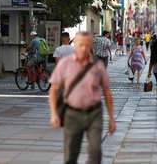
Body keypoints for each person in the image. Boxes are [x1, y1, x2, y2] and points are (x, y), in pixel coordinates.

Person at [49, 32, 116, 164]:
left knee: (96, 152)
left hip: (94, 113)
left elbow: (107, 92)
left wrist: (111, 118)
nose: (84, 48)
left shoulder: (98, 65)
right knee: (70, 155)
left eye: (87, 45)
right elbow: (54, 90)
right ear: (75, 45)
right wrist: (54, 114)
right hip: (72, 114)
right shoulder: (65, 64)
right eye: (80, 45)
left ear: (91, 45)